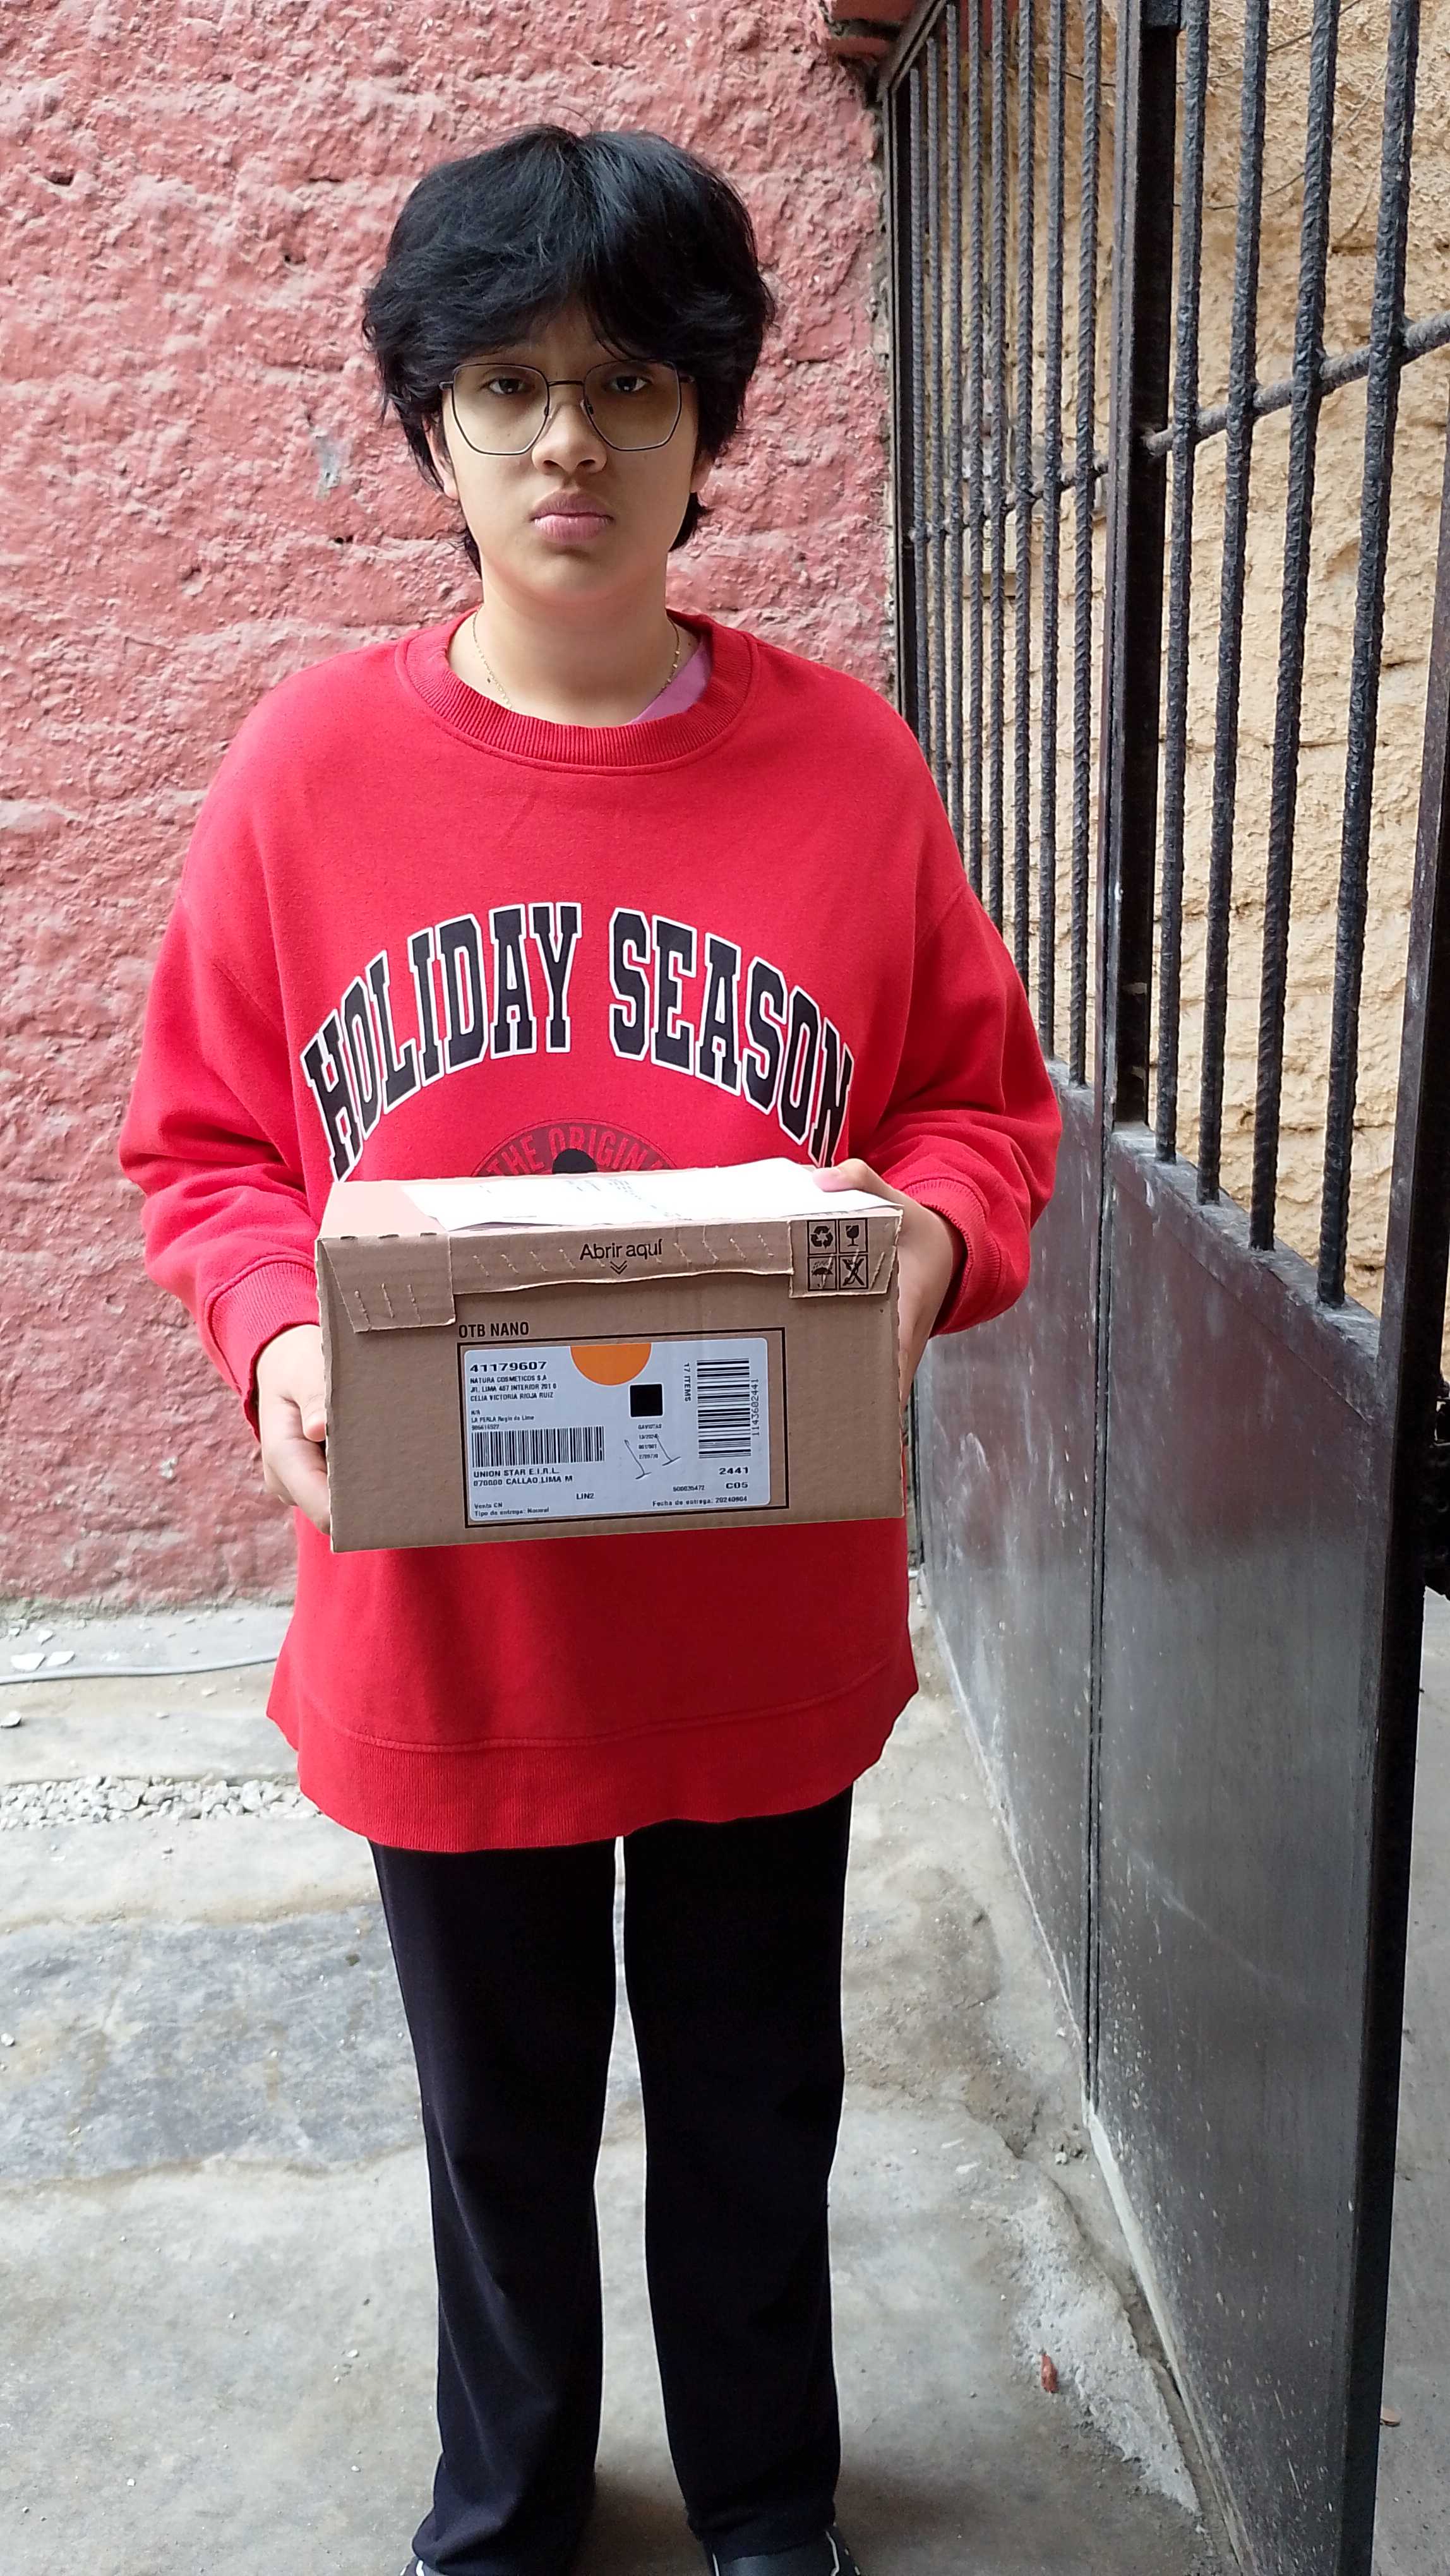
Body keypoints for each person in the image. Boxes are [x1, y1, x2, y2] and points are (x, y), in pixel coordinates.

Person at [119, 122, 1060, 2576]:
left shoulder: (842, 767)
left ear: (709, 415)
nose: (571, 441)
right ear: (431, 428)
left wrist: (919, 1253)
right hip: (458, 1618)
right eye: (510, 385)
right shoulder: (309, 778)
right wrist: (273, 1340)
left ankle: (764, 2505)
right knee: (498, 2122)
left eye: (632, 382)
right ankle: (509, 2509)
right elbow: (205, 1147)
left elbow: (977, 1106)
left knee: (754, 2102)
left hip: (752, 1603)